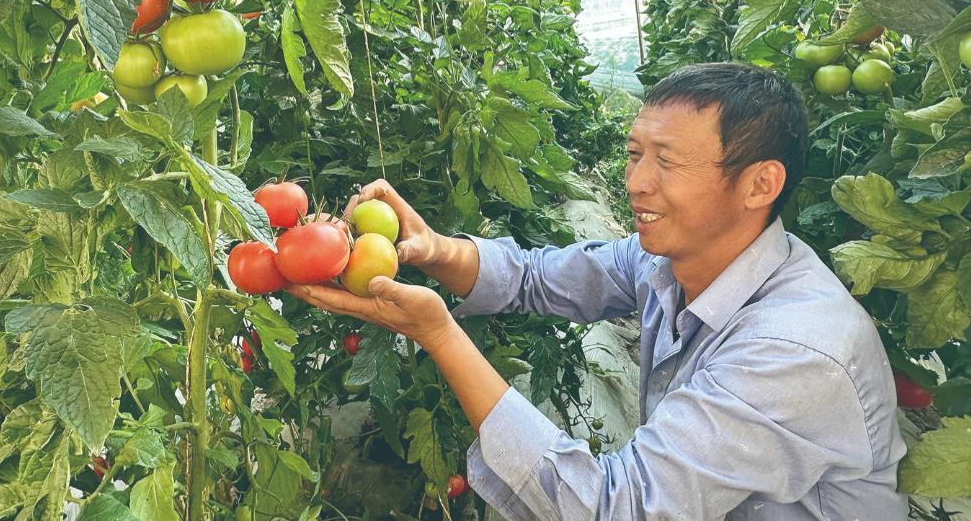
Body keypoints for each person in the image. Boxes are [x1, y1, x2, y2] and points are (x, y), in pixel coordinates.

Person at [288, 62, 909, 520]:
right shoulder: (668, 261)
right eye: (635, 154)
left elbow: (616, 508)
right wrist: (435, 248)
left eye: (667, 160)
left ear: (759, 184)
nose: (636, 181)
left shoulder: (795, 350)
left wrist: (439, 335)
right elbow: (535, 278)